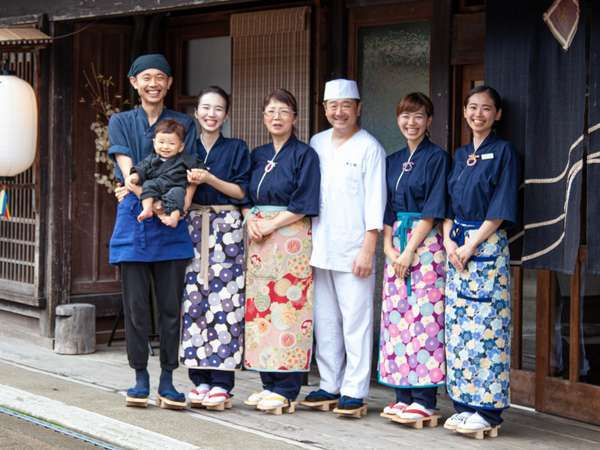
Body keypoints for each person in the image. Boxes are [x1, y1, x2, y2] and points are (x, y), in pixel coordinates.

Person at [108, 54, 197, 409]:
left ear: (170, 83)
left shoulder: (183, 122)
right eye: (146, 77)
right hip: (135, 217)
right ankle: (140, 377)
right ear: (134, 82)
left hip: (172, 223)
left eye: (160, 77)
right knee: (135, 307)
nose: (154, 83)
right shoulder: (121, 121)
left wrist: (178, 205)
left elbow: (190, 172)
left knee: (171, 307)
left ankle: (168, 380)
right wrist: (154, 202)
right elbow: (128, 169)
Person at [304, 79, 386, 414]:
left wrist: (369, 248)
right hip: (319, 245)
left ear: (358, 108)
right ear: (324, 109)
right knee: (325, 319)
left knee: (356, 320)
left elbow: (375, 202)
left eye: (346, 106)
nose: (339, 112)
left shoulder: (370, 147)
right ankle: (329, 383)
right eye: (333, 106)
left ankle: (354, 388)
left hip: (355, 248)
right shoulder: (316, 142)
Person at [442, 85, 519, 435]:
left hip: (485, 246)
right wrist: (448, 243)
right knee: (459, 330)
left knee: (487, 330)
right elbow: (446, 206)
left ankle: (487, 412)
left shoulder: (504, 152)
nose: (478, 114)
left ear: (497, 114)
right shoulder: (459, 154)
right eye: (472, 107)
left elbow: (500, 208)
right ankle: (463, 404)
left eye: (486, 108)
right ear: (464, 111)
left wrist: (470, 246)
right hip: (457, 247)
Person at [243, 89, 320, 412]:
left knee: (289, 308)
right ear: (264, 117)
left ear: (295, 118)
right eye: (271, 111)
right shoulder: (257, 154)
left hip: (290, 237)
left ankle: (287, 388)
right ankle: (268, 383)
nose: (277, 117)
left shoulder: (304, 155)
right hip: (259, 239)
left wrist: (271, 224)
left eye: (284, 112)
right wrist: (250, 219)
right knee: (261, 308)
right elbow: (245, 194)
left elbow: (305, 201)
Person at [377, 93, 450, 422]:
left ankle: (424, 397)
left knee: (424, 320)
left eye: (419, 116)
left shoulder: (437, 158)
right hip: (397, 245)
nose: (411, 122)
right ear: (398, 119)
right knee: (397, 321)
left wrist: (408, 251)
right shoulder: (392, 161)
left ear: (429, 121)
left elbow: (434, 208)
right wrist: (389, 248)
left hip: (426, 245)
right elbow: (387, 209)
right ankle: (402, 394)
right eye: (406, 116)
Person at [179, 86, 251, 409]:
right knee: (194, 301)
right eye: (205, 108)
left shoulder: (237, 148)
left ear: (226, 113)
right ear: (196, 112)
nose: (211, 114)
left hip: (226, 227)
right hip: (192, 226)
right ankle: (199, 378)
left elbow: (241, 191)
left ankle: (222, 381)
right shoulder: (184, 147)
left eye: (218, 108)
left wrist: (208, 178)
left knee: (226, 301)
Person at [127, 119, 200, 227]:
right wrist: (135, 176)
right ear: (154, 143)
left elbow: (197, 167)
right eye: (161, 142)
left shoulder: (185, 160)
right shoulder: (151, 159)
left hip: (174, 186)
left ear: (180, 147)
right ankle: (147, 209)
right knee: (147, 185)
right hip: (156, 187)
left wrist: (195, 175)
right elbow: (141, 168)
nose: (165, 147)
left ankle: (174, 218)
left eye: (171, 143)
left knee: (178, 194)